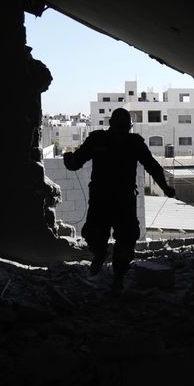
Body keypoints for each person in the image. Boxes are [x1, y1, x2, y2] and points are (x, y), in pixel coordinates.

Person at [63, 108, 175, 291]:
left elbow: (75, 163)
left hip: (107, 200)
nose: (122, 131)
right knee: (114, 237)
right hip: (117, 200)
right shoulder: (128, 142)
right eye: (122, 127)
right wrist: (166, 189)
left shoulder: (102, 140)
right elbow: (153, 167)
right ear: (125, 126)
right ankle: (111, 269)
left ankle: (110, 268)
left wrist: (68, 159)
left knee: (115, 237)